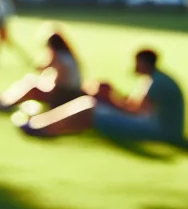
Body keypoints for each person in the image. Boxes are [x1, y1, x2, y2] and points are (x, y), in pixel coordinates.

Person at [19, 49, 184, 145]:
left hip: (160, 131)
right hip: (160, 127)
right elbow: (136, 105)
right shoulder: (156, 79)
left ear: (144, 63)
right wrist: (110, 94)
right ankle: (44, 125)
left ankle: (42, 127)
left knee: (90, 107)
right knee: (90, 105)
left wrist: (109, 98)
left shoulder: (155, 83)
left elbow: (136, 111)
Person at [0, 29, 83, 111]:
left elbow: (51, 77)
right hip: (68, 91)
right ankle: (3, 99)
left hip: (64, 94)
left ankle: (6, 103)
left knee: (32, 87)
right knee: (31, 80)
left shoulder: (59, 58)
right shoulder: (67, 56)